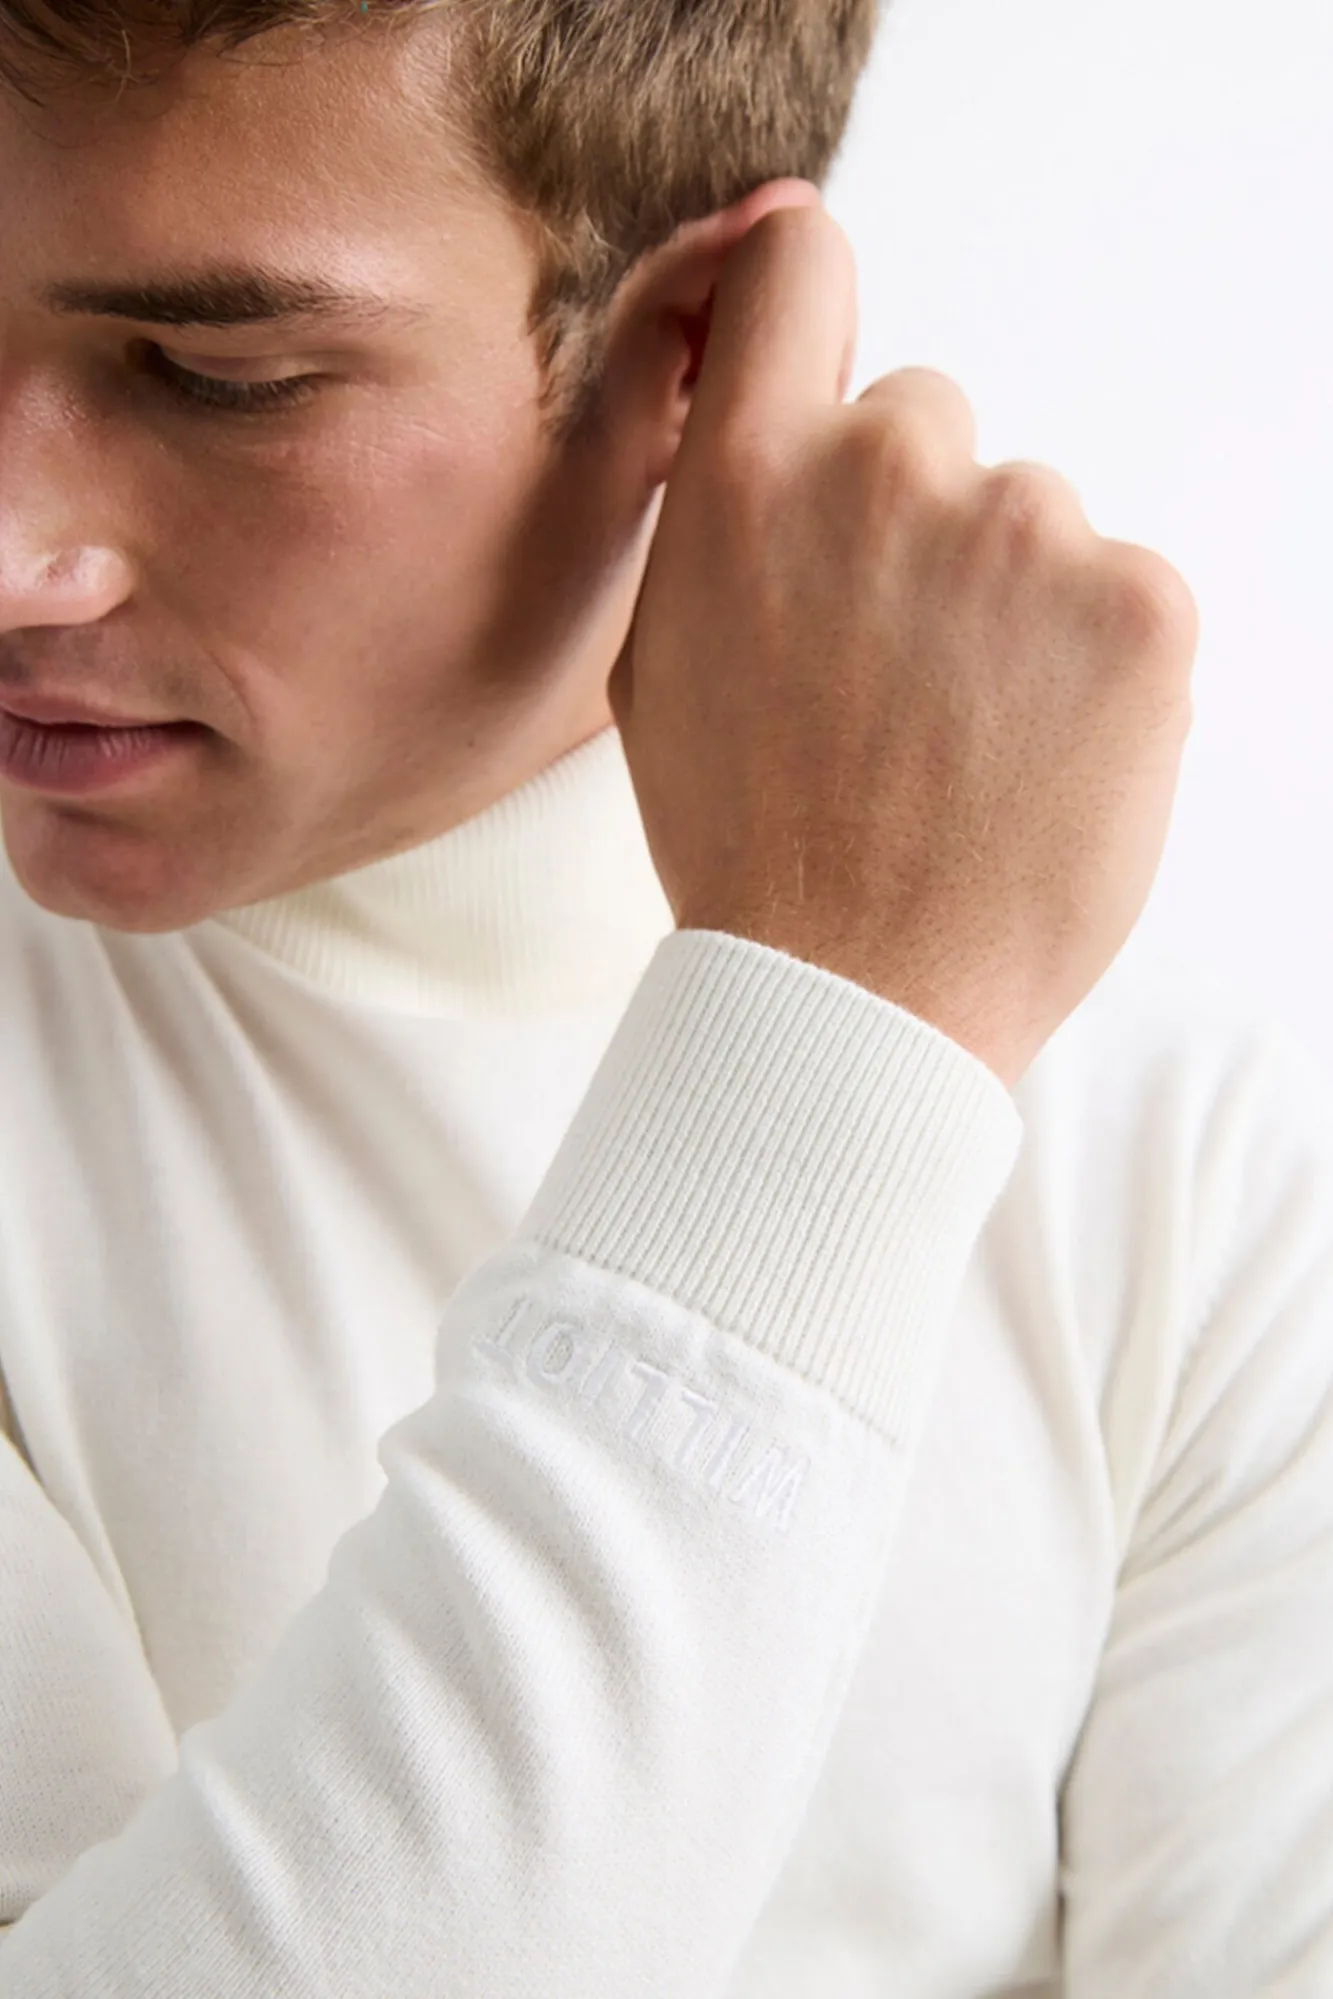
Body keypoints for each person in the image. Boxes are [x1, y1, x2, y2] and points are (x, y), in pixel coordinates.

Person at [0, 3, 1328, 1994]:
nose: (15, 555)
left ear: (690, 348)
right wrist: (837, 1018)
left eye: (217, 377)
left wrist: (845, 1020)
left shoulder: (1188, 1158)